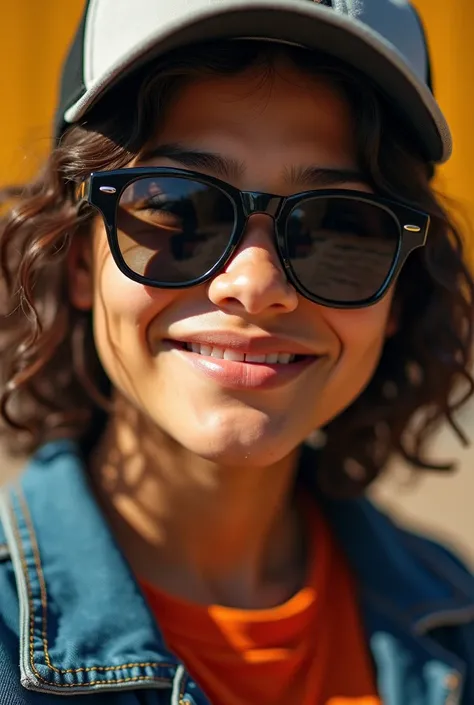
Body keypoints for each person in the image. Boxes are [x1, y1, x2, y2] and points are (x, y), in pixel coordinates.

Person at [0, 0, 473, 703]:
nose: (256, 285)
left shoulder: (459, 618)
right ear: (75, 259)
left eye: (338, 225)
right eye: (176, 207)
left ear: (400, 292)